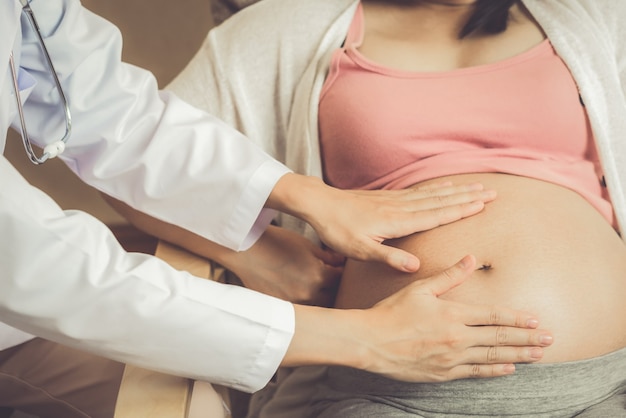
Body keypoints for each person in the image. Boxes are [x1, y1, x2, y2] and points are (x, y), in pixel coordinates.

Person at [0, 0, 552, 417]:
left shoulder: (584, 28)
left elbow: (112, 114)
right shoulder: (296, 26)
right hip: (376, 382)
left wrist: (306, 197)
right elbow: (33, 266)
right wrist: (365, 339)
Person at [156, 0, 626, 416]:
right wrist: (256, 253)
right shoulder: (286, 26)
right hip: (391, 395)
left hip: (604, 389)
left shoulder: (598, 16)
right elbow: (137, 161)